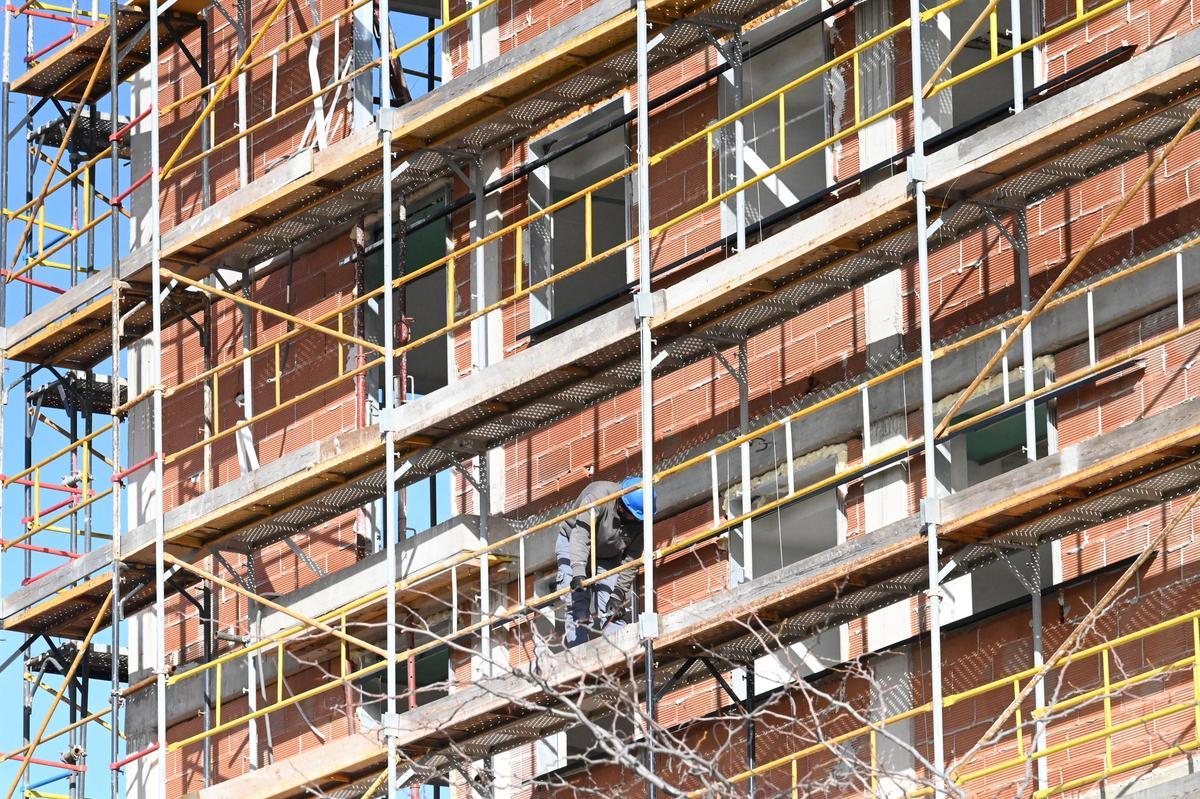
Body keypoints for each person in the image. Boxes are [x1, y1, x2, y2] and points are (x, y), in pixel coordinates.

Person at [556, 476, 656, 647]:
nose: (634, 521)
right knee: (577, 605)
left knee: (612, 609)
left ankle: (621, 652)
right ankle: (579, 657)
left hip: (606, 556)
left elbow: (632, 559)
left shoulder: (641, 519)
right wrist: (578, 572)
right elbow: (581, 535)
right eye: (632, 516)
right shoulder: (599, 498)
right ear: (621, 505)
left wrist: (618, 593)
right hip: (574, 544)